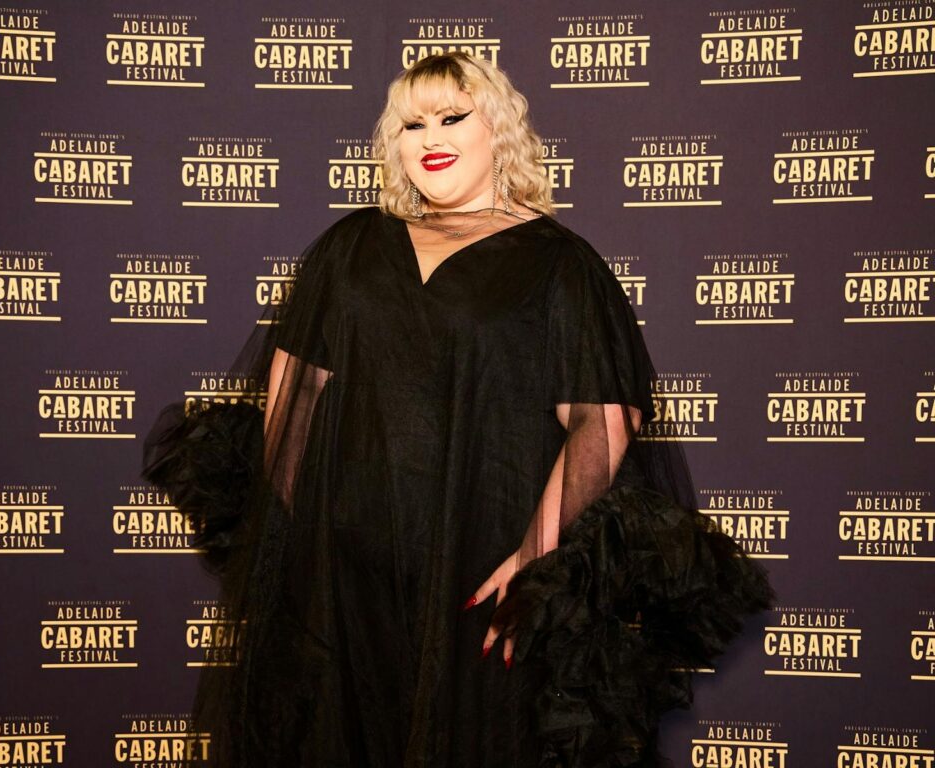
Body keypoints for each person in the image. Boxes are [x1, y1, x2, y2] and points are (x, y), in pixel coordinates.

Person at [141, 51, 775, 768]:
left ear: (496, 128)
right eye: (412, 123)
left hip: (481, 570)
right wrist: (319, 542)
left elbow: (602, 421)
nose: (431, 136)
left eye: (452, 116)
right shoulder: (349, 247)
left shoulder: (560, 263)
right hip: (351, 582)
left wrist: (533, 555)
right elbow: (292, 400)